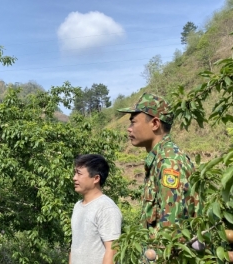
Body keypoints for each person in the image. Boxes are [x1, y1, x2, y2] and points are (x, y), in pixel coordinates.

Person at [117, 93, 200, 230]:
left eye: (133, 121)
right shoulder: (158, 159)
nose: (129, 128)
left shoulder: (169, 162)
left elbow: (171, 232)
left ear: (155, 123)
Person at [69, 154, 122, 264]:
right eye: (75, 173)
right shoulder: (78, 206)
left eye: (79, 174)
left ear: (96, 178)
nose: (74, 178)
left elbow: (112, 250)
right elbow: (74, 247)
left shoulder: (106, 208)